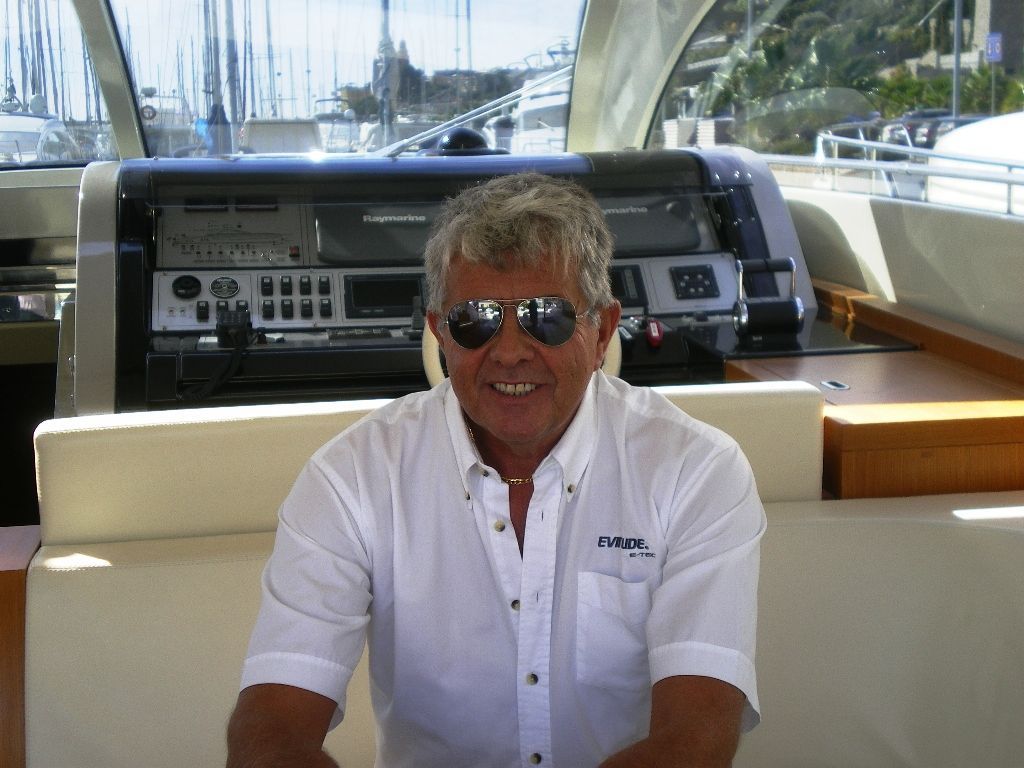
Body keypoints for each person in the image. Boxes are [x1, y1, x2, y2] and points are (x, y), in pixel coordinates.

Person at [227, 172, 765, 767]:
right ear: (439, 333)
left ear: (603, 331)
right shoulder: (350, 477)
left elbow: (696, 738)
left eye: (547, 317)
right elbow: (270, 730)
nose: (509, 351)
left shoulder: (696, 471)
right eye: (476, 319)